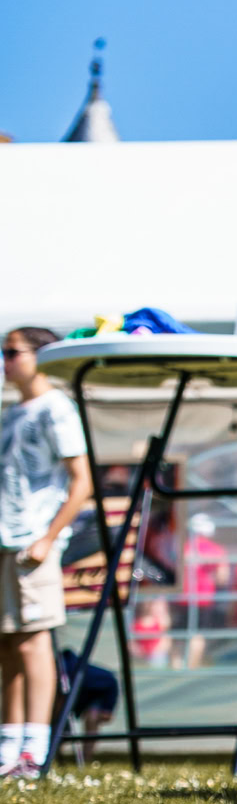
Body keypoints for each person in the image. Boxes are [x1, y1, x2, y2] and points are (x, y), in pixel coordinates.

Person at [0, 327, 91, 779]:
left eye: (12, 352)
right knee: (8, 643)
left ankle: (34, 749)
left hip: (33, 542)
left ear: (41, 356)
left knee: (35, 642)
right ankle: (8, 748)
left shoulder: (57, 408)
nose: (5, 361)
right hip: (4, 541)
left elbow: (82, 481)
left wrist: (48, 537)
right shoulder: (12, 413)